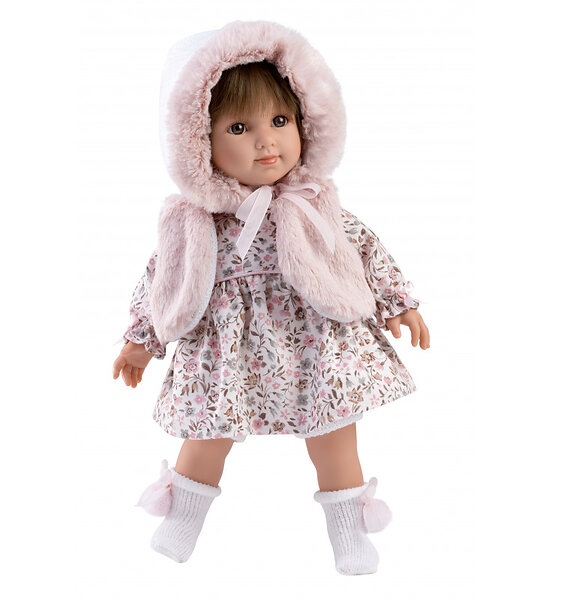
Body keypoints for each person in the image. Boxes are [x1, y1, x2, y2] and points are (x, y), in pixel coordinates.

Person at [112, 20, 430, 576]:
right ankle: (182, 520)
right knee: (206, 435)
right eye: (240, 127)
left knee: (335, 436)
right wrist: (142, 339)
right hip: (226, 351)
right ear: (197, 141)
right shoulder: (196, 222)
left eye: (280, 121)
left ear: (307, 121)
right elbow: (164, 278)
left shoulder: (312, 204)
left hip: (315, 343)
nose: (267, 142)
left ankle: (349, 533)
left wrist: (398, 301)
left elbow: (362, 249)